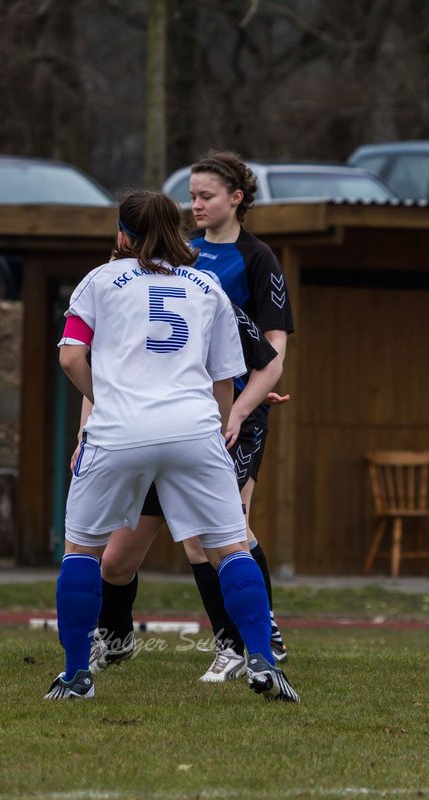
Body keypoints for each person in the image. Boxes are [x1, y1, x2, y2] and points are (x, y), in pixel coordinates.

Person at [46, 189, 297, 701]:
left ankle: (77, 676)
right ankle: (263, 663)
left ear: (123, 233)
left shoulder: (99, 280)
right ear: (178, 232)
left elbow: (71, 357)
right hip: (194, 429)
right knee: (229, 548)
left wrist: (107, 398)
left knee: (84, 552)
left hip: (118, 431)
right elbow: (224, 378)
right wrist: (220, 425)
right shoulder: (206, 286)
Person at [87, 305, 290, 680]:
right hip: (145, 438)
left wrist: (240, 411)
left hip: (196, 438)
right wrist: (88, 433)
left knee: (209, 542)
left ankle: (240, 647)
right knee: (114, 562)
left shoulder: (206, 292)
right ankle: (116, 640)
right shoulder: (119, 288)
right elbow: (92, 370)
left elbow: (262, 361)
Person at [185, 150, 295, 674]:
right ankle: (240, 638)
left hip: (238, 414)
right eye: (191, 197)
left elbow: (271, 357)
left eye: (206, 196)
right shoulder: (181, 255)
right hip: (184, 412)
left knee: (225, 527)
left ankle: (254, 640)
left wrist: (241, 409)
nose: (196, 206)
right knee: (195, 538)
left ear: (236, 198)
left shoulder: (258, 259)